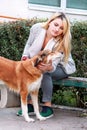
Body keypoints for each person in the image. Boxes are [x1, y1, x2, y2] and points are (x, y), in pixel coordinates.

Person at [17, 12, 76, 118]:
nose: (57, 29)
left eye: (62, 28)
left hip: (62, 66)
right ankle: (29, 105)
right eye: (56, 25)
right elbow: (29, 44)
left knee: (44, 73)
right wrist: (25, 56)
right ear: (50, 22)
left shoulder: (62, 41)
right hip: (43, 61)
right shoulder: (36, 28)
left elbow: (53, 63)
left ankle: (47, 106)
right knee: (30, 71)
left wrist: (49, 67)